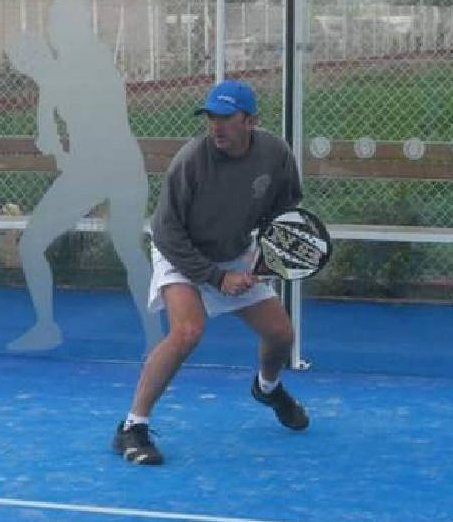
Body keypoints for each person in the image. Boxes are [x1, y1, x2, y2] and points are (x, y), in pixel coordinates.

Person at [113, 79, 309, 466]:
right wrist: (217, 278)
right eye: (210, 117)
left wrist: (264, 257)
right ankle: (132, 427)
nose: (215, 126)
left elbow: (285, 210)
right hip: (179, 251)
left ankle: (268, 388)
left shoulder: (275, 154)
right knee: (187, 331)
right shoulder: (191, 160)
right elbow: (166, 231)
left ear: (250, 121)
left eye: (225, 118)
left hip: (233, 251)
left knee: (281, 334)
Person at [5, 0, 161, 353]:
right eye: (53, 25)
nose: (54, 31)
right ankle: (49, 329)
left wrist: (44, 79)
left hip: (109, 168)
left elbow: (86, 117)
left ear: (78, 26)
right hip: (107, 168)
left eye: (61, 23)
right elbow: (49, 135)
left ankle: (156, 339)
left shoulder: (92, 62)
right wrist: (56, 145)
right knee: (120, 248)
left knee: (123, 247)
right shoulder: (59, 74)